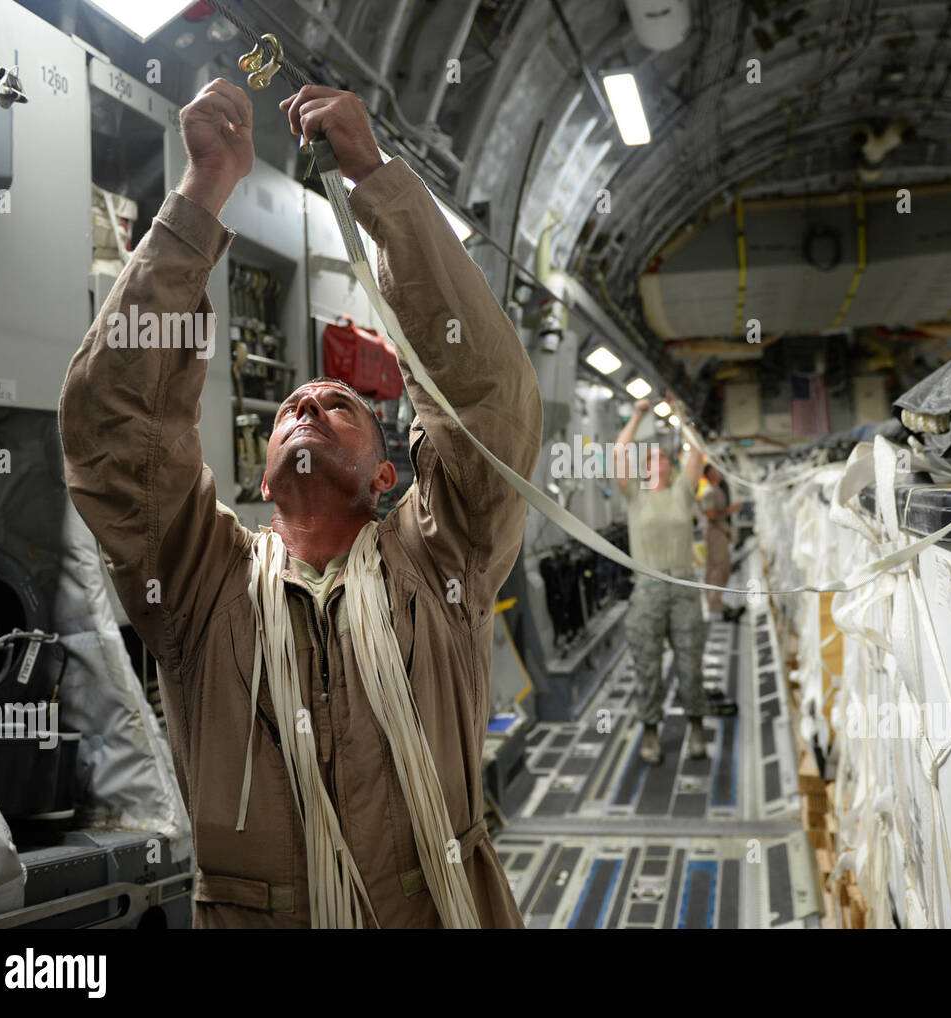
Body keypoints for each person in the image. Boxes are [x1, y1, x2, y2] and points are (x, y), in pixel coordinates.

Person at [59, 80, 542, 928]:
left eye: (339, 405)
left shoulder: (444, 558)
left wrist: (378, 181)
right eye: (290, 410)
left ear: (389, 477)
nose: (307, 406)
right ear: (268, 475)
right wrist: (203, 189)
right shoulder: (199, 584)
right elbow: (112, 423)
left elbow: (489, 400)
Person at [613, 399, 735, 767]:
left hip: (682, 588)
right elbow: (619, 452)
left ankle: (696, 726)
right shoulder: (635, 498)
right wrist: (637, 416)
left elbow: (697, 451)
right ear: (644, 470)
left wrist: (682, 417)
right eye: (650, 461)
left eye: (663, 460)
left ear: (670, 466)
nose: (658, 465)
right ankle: (651, 730)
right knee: (647, 666)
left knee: (690, 664)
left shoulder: (683, 492)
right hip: (648, 590)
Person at [699, 464, 744, 621]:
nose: (718, 473)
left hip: (719, 531)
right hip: (714, 533)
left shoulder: (717, 490)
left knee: (719, 565)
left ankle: (714, 598)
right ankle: (713, 600)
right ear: (709, 474)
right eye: (715, 470)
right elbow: (711, 514)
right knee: (719, 566)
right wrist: (731, 510)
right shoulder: (709, 492)